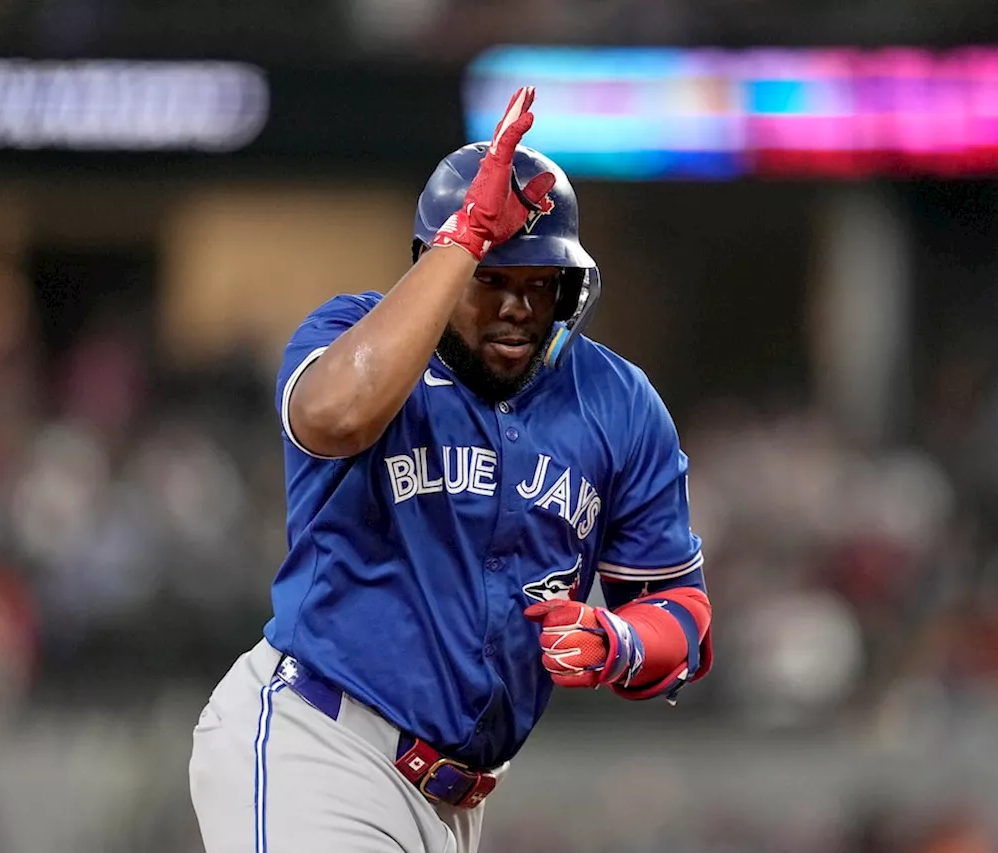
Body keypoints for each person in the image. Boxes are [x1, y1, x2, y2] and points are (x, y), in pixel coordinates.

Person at [187, 86, 714, 853]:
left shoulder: (617, 402)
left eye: (541, 284)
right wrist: (465, 236)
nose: (518, 308)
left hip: (457, 803)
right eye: (491, 279)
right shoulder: (346, 334)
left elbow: (682, 615)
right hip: (320, 743)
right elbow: (336, 417)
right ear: (437, 266)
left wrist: (618, 640)